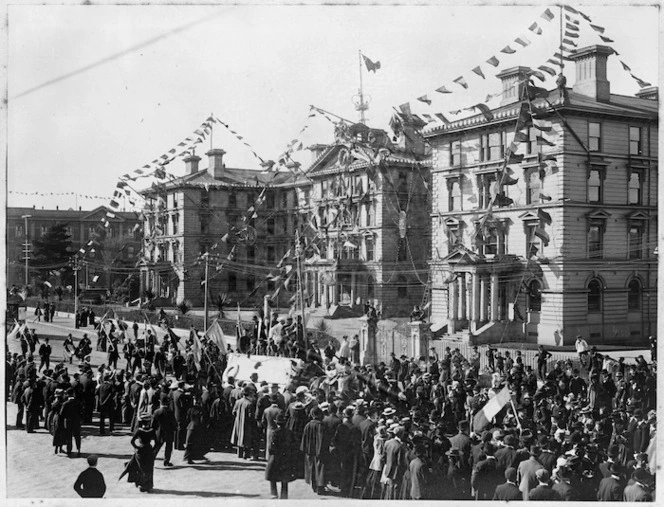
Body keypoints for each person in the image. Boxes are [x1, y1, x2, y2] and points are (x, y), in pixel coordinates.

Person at [121, 416, 156, 493]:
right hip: (149, 451)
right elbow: (156, 442)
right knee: (149, 468)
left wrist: (137, 448)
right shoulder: (152, 431)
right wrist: (152, 449)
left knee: (140, 468)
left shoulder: (139, 431)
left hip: (141, 451)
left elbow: (132, 441)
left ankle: (142, 484)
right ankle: (148, 485)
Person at [265, 413, 294, 499]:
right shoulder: (289, 432)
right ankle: (284, 494)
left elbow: (271, 447)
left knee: (272, 475)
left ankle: (273, 493)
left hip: (276, 457)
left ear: (276, 423)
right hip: (286, 457)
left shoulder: (274, 433)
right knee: (284, 477)